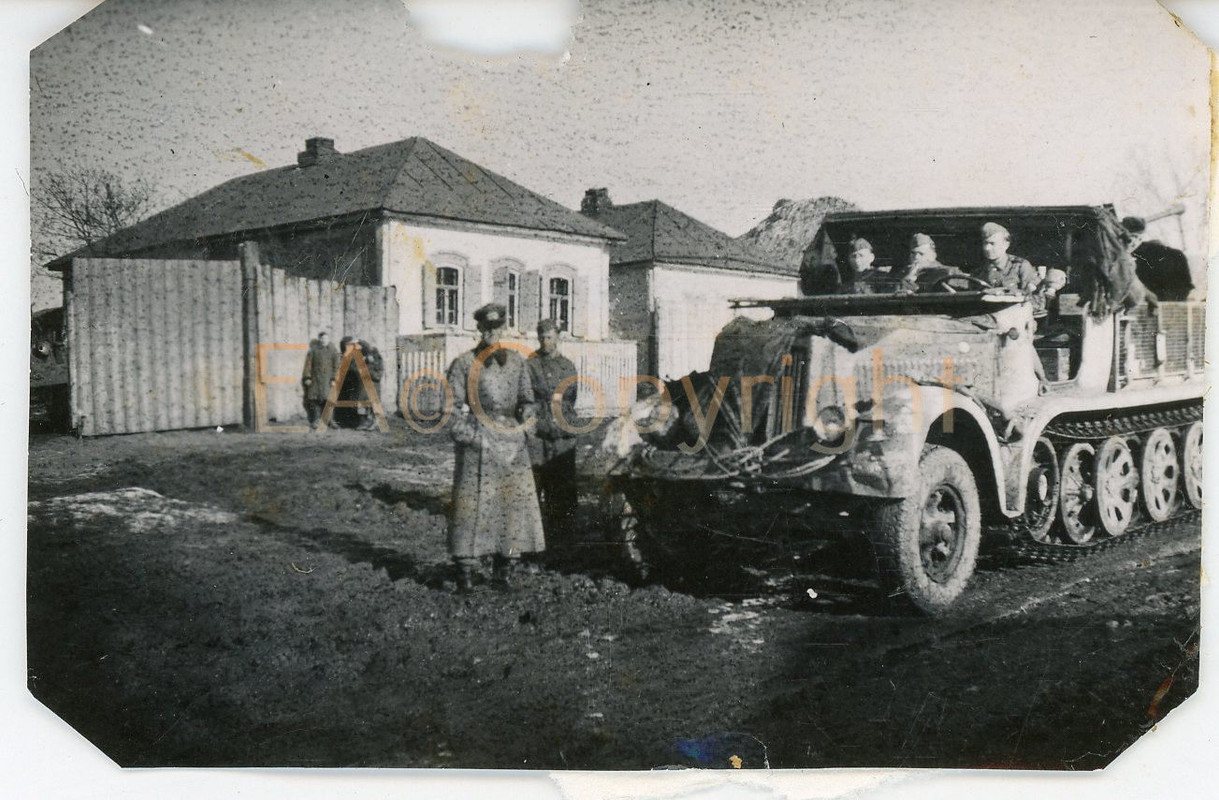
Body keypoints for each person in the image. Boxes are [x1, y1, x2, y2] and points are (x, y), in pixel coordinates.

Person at [446, 302, 545, 592]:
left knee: (511, 509)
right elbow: (450, 411)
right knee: (472, 507)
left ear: (504, 329)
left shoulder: (517, 362)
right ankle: (465, 571)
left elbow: (527, 401)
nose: (492, 332)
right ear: (479, 329)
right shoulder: (464, 363)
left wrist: (525, 426)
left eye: (497, 327)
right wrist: (471, 437)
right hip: (479, 443)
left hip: (512, 445)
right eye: (487, 328)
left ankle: (504, 570)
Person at [527, 318, 580, 543]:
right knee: (535, 482)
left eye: (549, 337)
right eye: (541, 337)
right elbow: (525, 396)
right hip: (538, 432)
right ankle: (535, 537)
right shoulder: (530, 364)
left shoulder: (567, 366)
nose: (545, 342)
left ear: (558, 338)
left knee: (563, 485)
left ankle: (563, 537)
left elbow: (572, 397)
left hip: (562, 433)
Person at [1122, 216, 1194, 302]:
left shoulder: (1168, 255)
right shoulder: (1118, 256)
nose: (1133, 241)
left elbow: (1183, 287)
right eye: (1130, 237)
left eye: (1137, 237)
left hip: (1161, 302)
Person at [897, 233, 963, 291]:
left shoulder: (950, 272)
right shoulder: (902, 273)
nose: (916, 257)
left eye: (921, 254)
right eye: (913, 253)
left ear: (932, 255)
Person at [301, 331, 339, 431]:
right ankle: (315, 420)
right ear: (319, 340)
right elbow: (308, 365)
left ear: (328, 339)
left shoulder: (333, 350)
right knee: (315, 400)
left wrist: (333, 378)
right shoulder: (313, 350)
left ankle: (330, 420)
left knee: (329, 400)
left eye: (326, 338)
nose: (324, 340)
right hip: (316, 379)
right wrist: (307, 377)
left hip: (328, 380)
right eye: (322, 338)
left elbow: (336, 366)